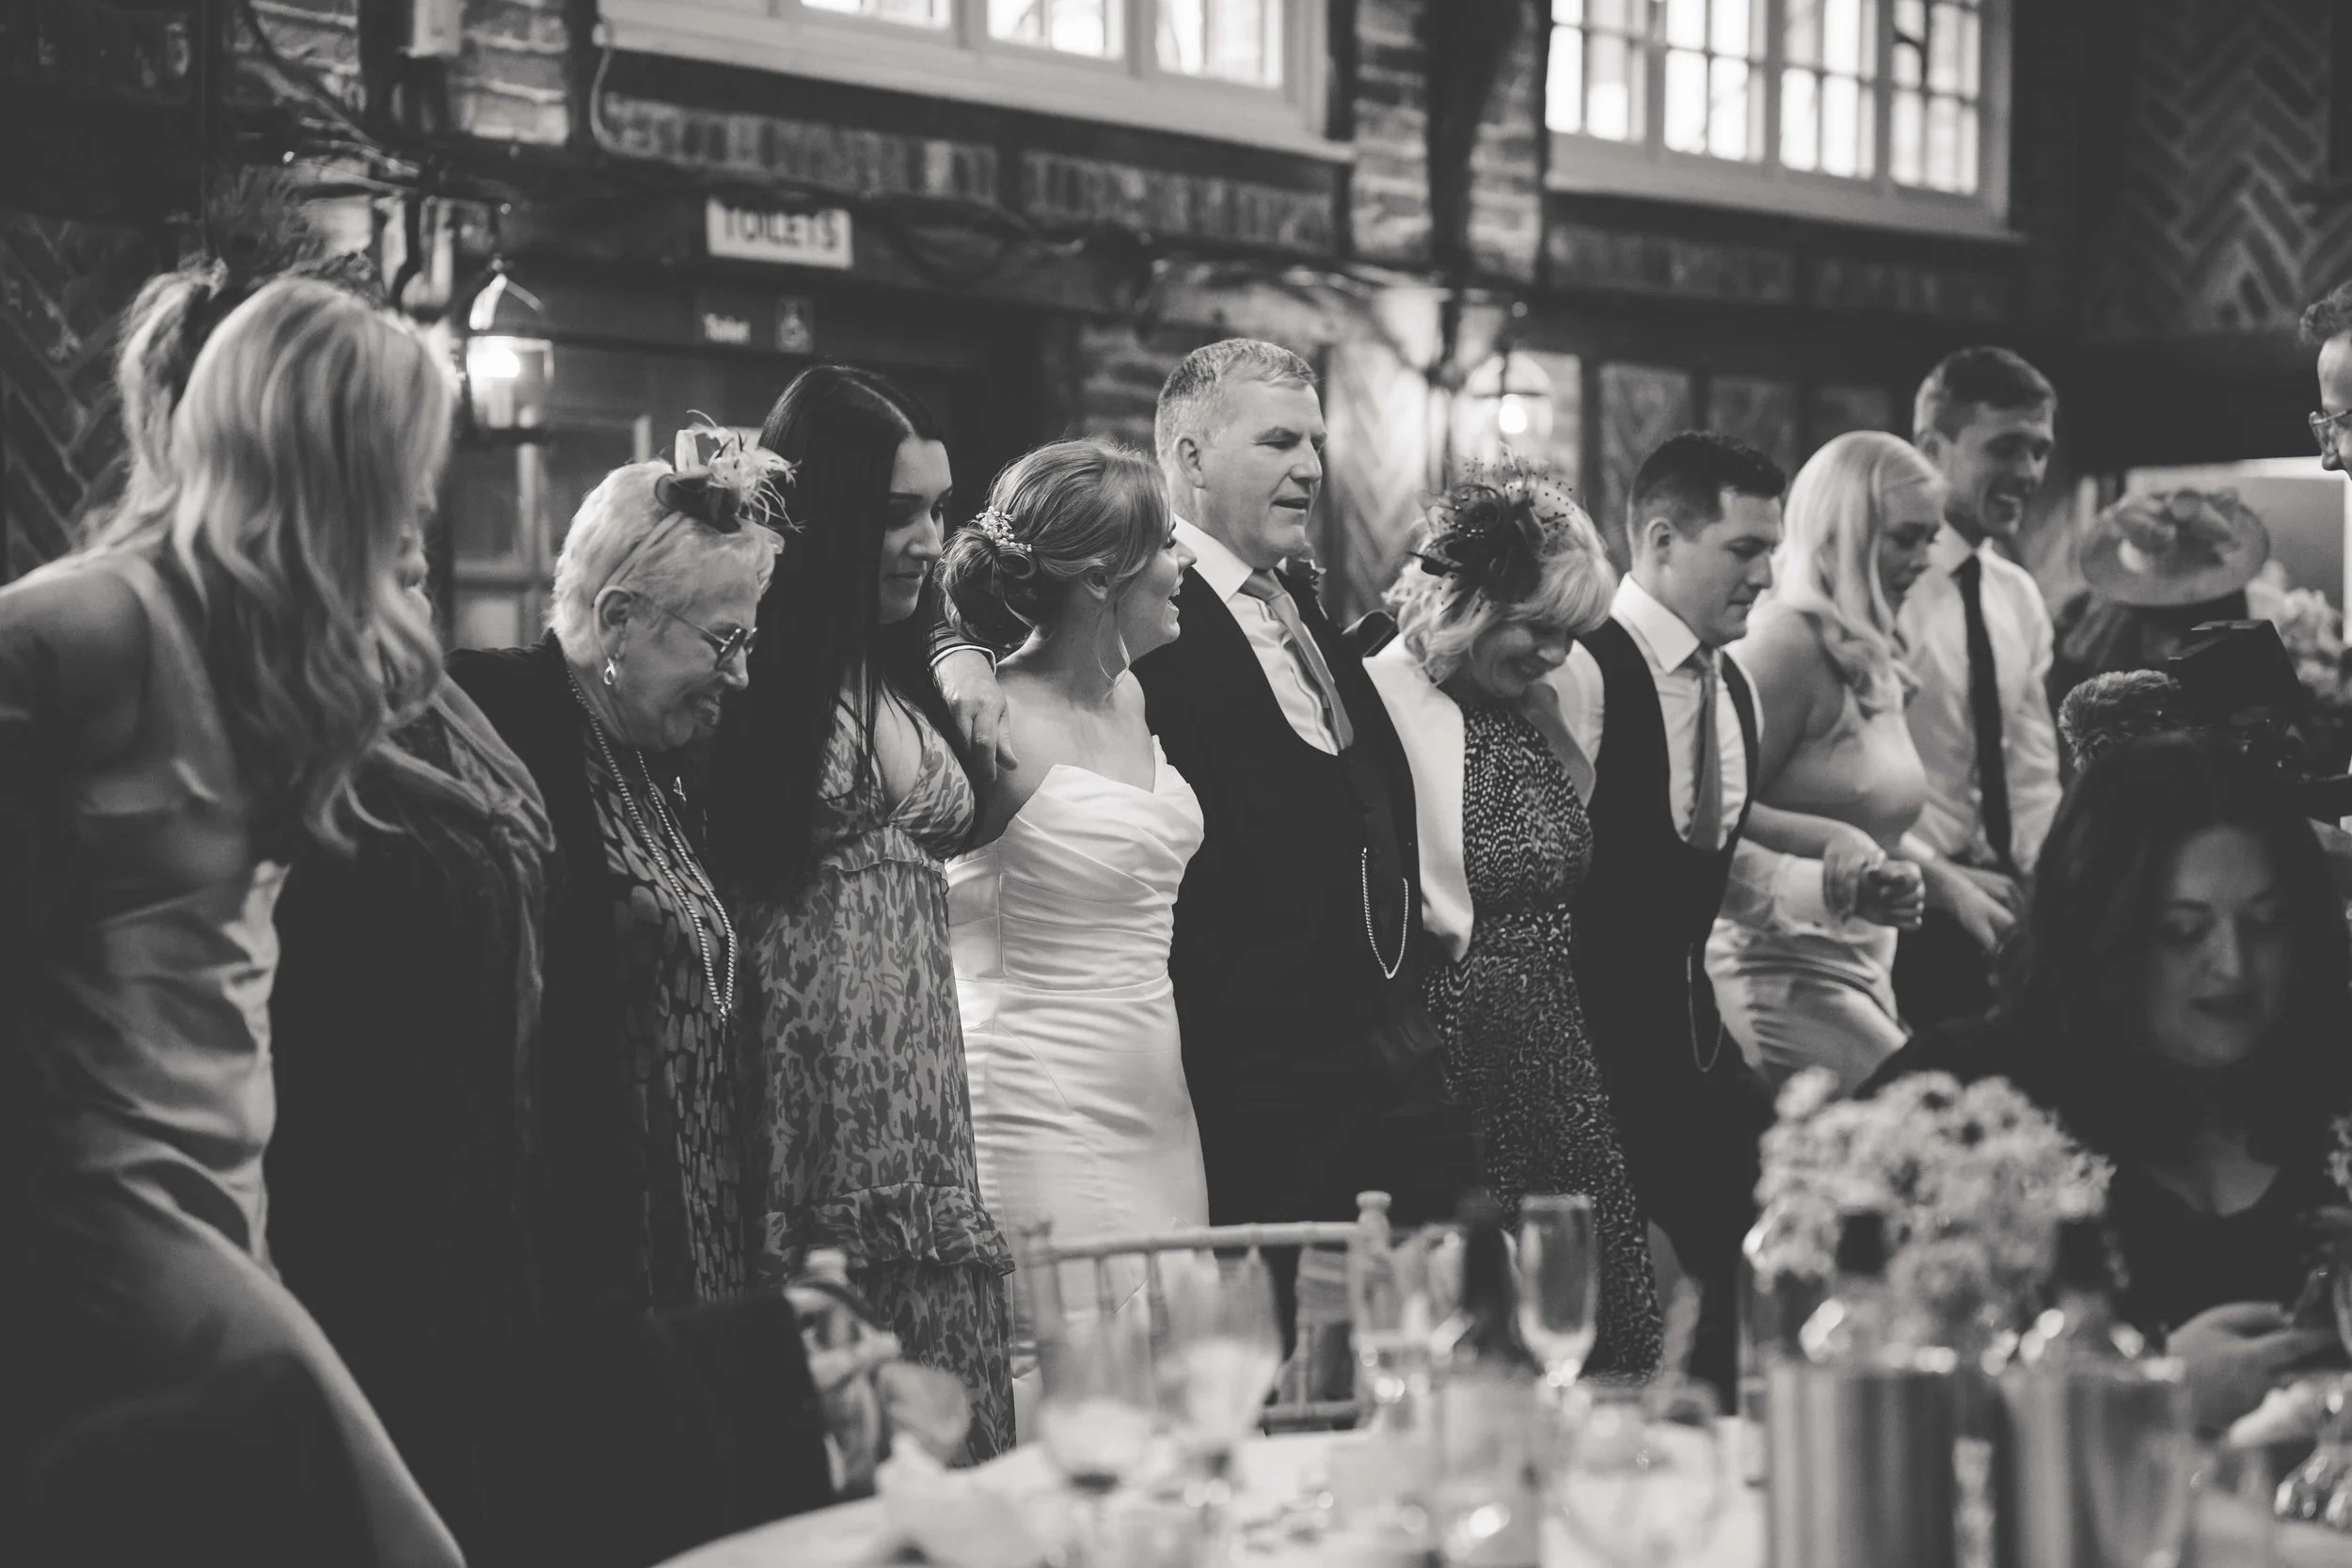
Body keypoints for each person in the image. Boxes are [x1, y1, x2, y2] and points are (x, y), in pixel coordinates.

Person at [0, 277, 464, 1565]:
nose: (420, 502)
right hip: (105, 1206)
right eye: (403, 468)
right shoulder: (87, 621)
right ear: (329, 462)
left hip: (220, 1195)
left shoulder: (257, 637)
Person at [708, 365, 1016, 1463]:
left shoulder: (897, 663)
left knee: (955, 1448)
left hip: (924, 1112)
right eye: (896, 513)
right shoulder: (748, 669)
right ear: (829, 514)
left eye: (938, 508)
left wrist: (957, 649)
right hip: (809, 1117)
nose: (929, 539)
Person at [1866, 738, 2351, 1431]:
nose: (2233, 967)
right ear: (2101, 934)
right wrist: (2143, 1390)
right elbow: (1839, 1377)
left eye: (2266, 924)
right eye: (2182, 932)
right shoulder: (1969, 1099)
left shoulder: (2333, 1072)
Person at [1135, 340, 1470, 1253]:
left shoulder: (1297, 604)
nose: (1312, 468)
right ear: (1191, 458)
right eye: (1279, 442)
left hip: (1383, 1064)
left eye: (1316, 443)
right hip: (1252, 1081)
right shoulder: (1146, 619)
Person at [1365, 464, 1662, 1378]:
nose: (1554, 654)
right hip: (1458, 1057)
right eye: (1537, 628)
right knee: (1480, 1322)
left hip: (1555, 1050)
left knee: (1589, 1309)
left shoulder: (1536, 706)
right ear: (1469, 599)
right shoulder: (1377, 696)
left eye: (1569, 636)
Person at [935, 438, 1207, 1424]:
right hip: (1033, 1092)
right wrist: (949, 647)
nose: (1184, 569)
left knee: (1172, 1373)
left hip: (1156, 1098)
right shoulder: (987, 715)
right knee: (1073, 1378)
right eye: (1168, 547)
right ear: (1101, 578)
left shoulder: (1134, 695)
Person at [1545, 431, 1798, 1402]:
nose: (1765, 575)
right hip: (1593, 1057)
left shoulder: (1733, 685)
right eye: (1742, 550)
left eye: (1770, 549)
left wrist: (1840, 888)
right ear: (1659, 539)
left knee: (1762, 1250)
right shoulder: (1579, 670)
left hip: (1695, 1050)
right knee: (1611, 1323)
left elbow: (1716, 871)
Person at [1705, 432, 1941, 1092]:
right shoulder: (1784, 645)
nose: (1925, 559)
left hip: (1862, 963)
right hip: (1779, 970)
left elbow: (1871, 818)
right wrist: (1831, 841)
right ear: (1844, 534)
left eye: (1931, 538)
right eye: (1905, 538)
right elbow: (1717, 813)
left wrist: (1955, 887)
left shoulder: (1870, 649)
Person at [1892, 346, 2064, 1030]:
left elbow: (2030, 778)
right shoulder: (1877, 583)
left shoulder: (2018, 596)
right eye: (2007, 447)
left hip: (2001, 906)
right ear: (1932, 447)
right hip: (1899, 900)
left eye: (2041, 449)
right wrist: (1941, 877)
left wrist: (2053, 887)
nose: (2028, 472)